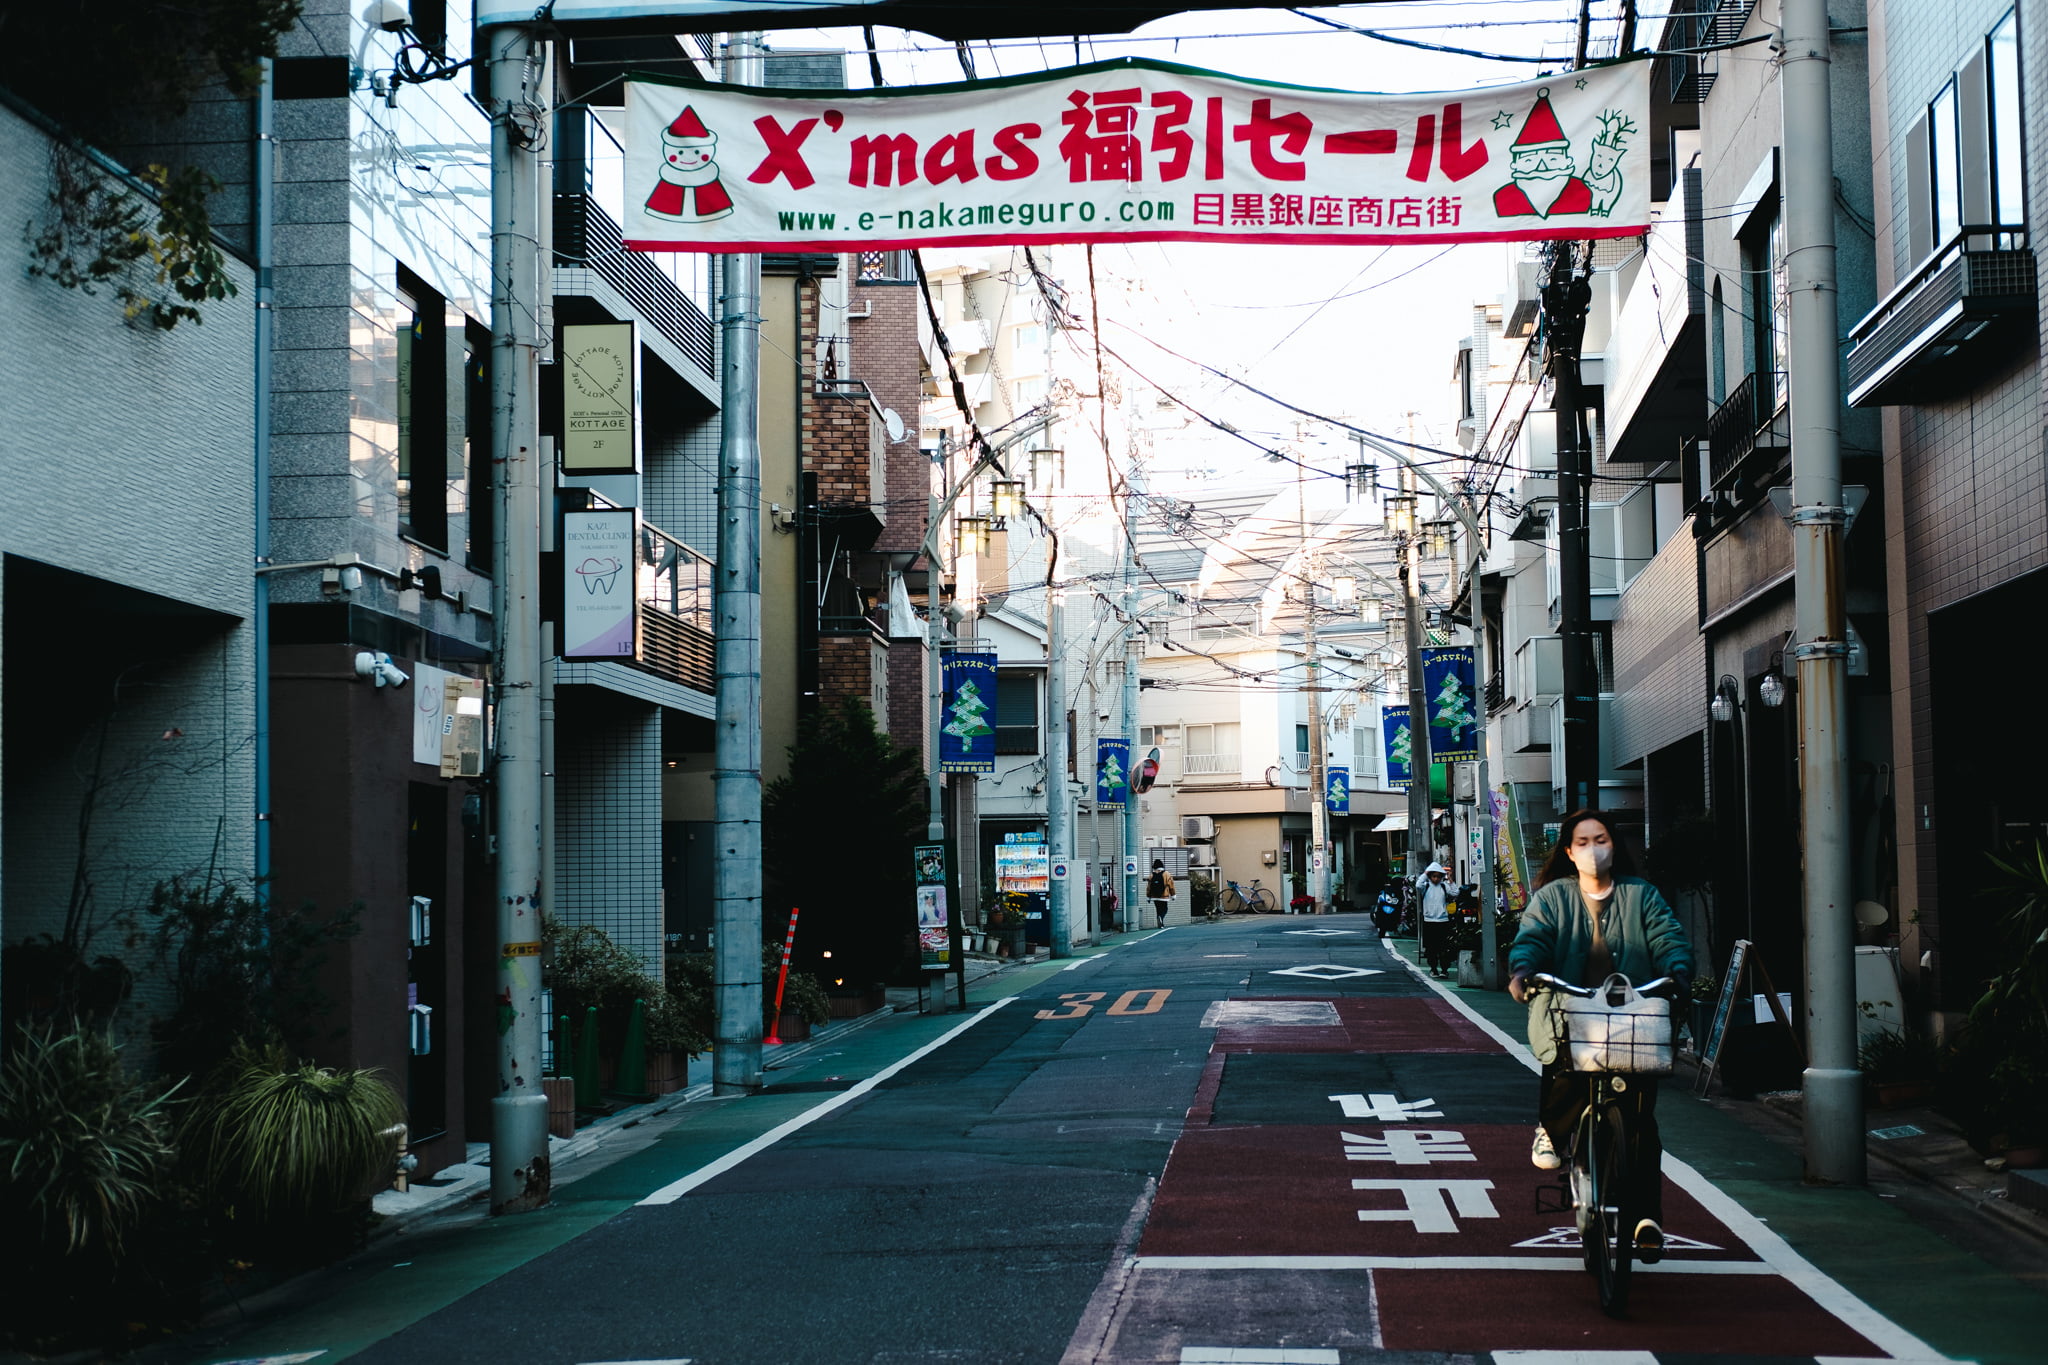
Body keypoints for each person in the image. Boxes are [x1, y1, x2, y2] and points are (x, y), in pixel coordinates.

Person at [1507, 809, 1693, 1263]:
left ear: (1615, 845)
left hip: (1631, 1019)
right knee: (1565, 1072)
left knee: (1640, 1124)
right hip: (1568, 1011)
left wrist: (1677, 971)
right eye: (1584, 841)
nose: (1594, 849)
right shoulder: (1552, 898)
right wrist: (1524, 972)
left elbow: (1668, 938)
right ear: (1569, 852)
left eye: (1602, 838)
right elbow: (1532, 937)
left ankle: (1646, 1218)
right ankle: (1552, 1131)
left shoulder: (1640, 895)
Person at [1415, 861, 1454, 977]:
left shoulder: (1444, 886)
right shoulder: (1425, 886)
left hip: (1443, 920)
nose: (1436, 879)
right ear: (1430, 876)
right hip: (1429, 920)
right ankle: (1433, 969)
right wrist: (1425, 874)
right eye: (1433, 876)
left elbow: (1455, 892)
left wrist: (1450, 879)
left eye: (1438, 876)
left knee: (1444, 947)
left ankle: (1444, 970)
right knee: (1431, 948)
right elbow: (1418, 885)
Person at [1146, 859, 1175, 928]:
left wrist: (1148, 896)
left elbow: (1149, 887)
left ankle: (1160, 923)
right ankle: (1161, 918)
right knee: (1165, 909)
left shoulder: (1151, 875)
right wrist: (1173, 895)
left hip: (1154, 896)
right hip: (1164, 896)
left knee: (1158, 909)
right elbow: (1171, 885)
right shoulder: (1167, 874)